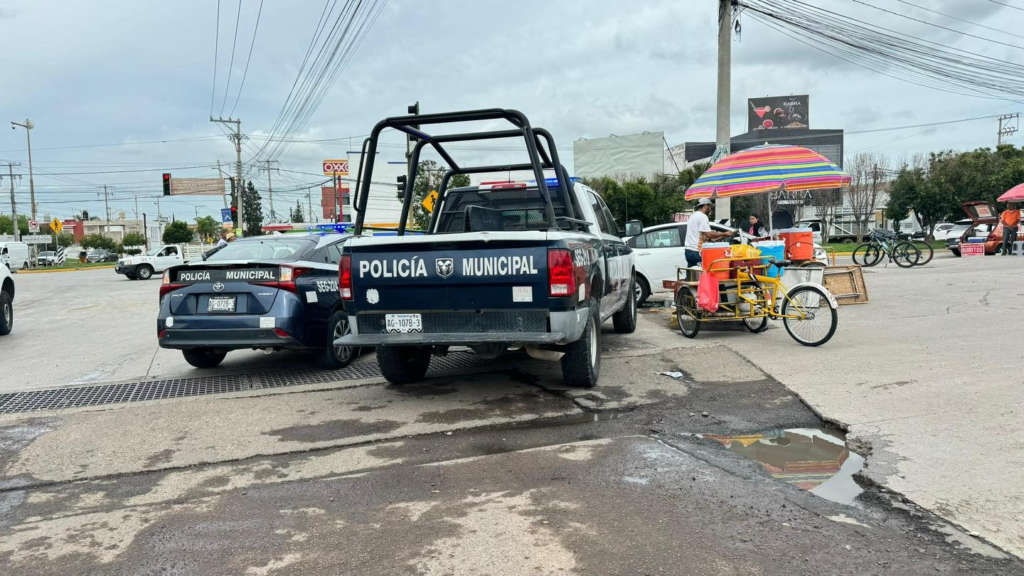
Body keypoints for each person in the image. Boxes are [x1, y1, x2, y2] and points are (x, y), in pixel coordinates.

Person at [684, 198, 736, 267]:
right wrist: (724, 233)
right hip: (696, 251)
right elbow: (708, 234)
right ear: (706, 206)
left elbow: (700, 234)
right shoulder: (703, 216)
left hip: (688, 250)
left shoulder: (693, 216)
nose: (710, 209)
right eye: (710, 207)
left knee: (692, 274)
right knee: (706, 272)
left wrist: (711, 239)